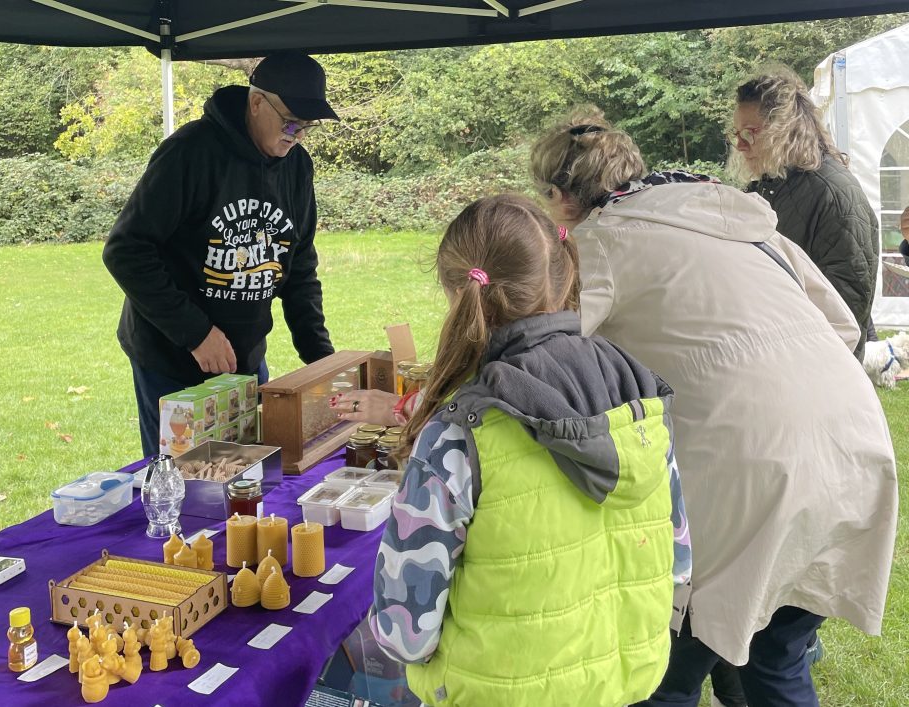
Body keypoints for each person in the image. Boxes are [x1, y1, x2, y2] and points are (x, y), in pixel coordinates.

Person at [531, 108, 898, 707]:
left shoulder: (601, 243)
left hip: (748, 471)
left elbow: (548, 358)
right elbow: (841, 325)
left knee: (662, 672)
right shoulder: (741, 223)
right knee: (775, 662)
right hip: (850, 447)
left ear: (558, 197)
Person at [368, 194, 692, 707]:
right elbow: (677, 564)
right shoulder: (641, 394)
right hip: (621, 683)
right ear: (563, 275)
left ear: (457, 295)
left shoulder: (460, 430)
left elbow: (404, 632)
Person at [103, 52, 337, 457]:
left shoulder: (297, 167)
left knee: (245, 478)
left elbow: (299, 266)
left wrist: (321, 360)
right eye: (290, 121)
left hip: (243, 355)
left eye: (306, 127)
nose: (296, 134)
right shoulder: (189, 152)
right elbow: (127, 249)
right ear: (257, 102)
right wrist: (196, 333)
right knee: (183, 484)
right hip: (172, 355)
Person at [731, 67, 878, 360]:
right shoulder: (771, 184)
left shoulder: (832, 193)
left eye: (750, 132)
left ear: (785, 128)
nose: (740, 145)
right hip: (777, 357)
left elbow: (845, 309)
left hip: (816, 366)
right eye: (736, 133)